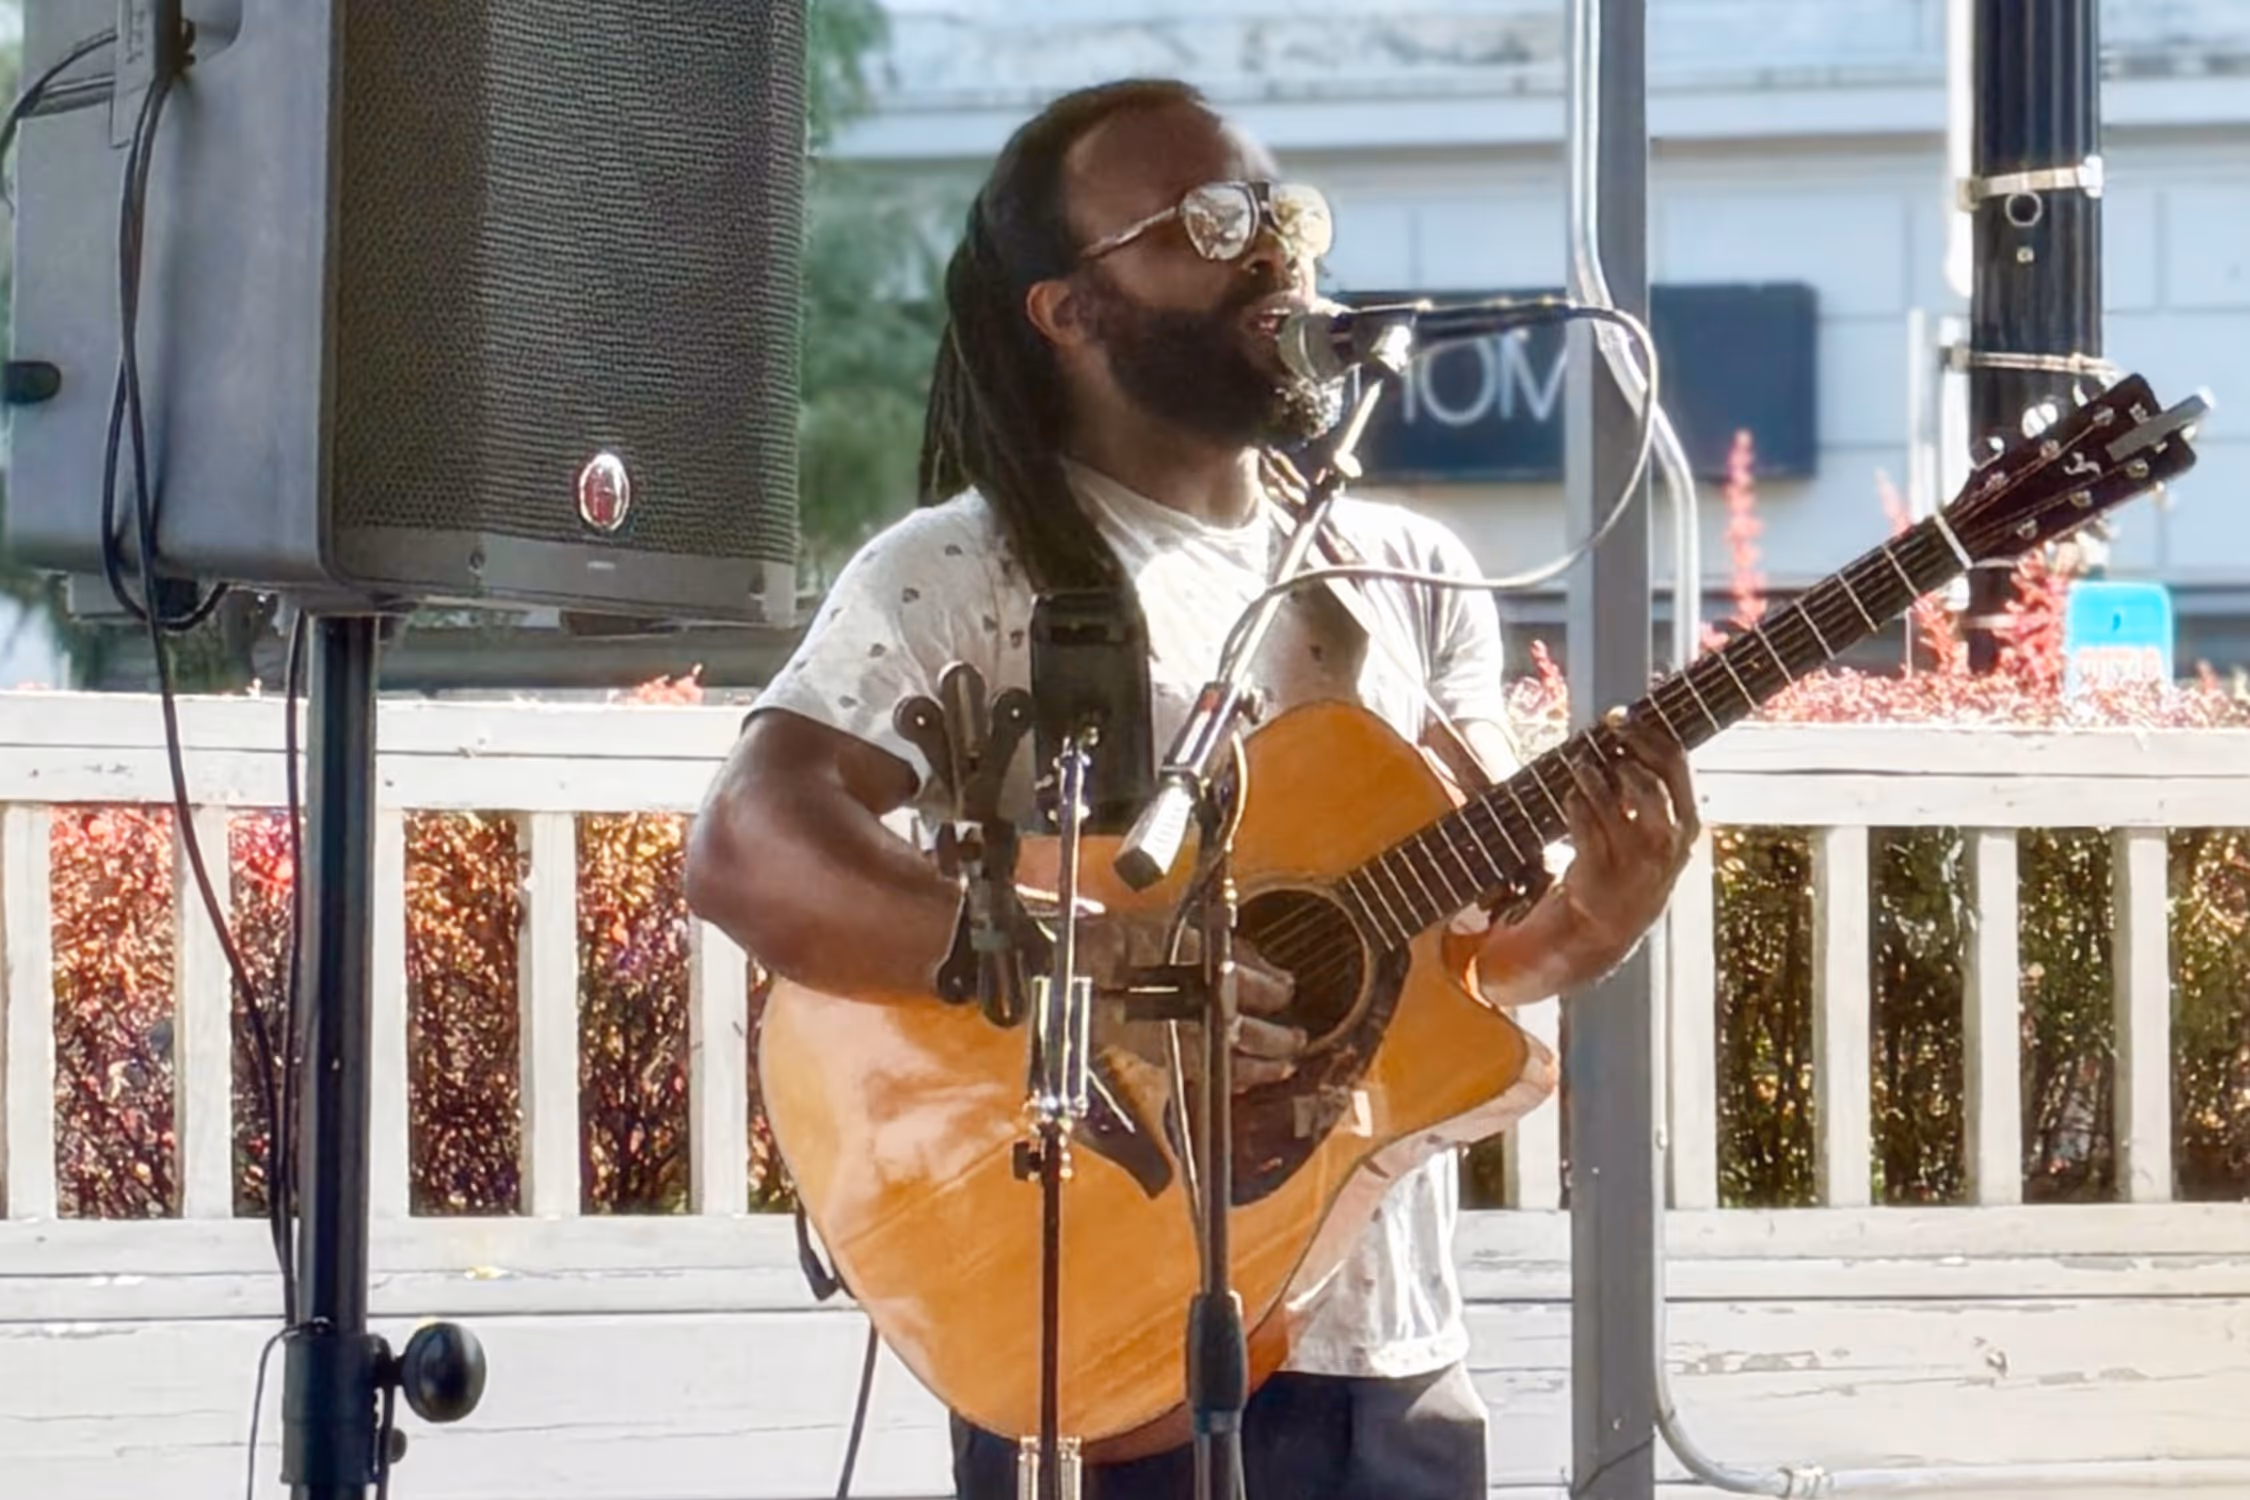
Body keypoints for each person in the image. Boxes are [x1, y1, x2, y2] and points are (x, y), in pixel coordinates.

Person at [684, 77, 1698, 1500]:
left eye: (1281, 212)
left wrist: (1588, 928)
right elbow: (747, 847)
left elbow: (1453, 973)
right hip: (1091, 1312)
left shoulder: (1403, 575)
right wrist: (1098, 962)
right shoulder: (963, 569)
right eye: (1206, 221)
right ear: (1068, 310)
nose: (1273, 251)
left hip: (1377, 1330)